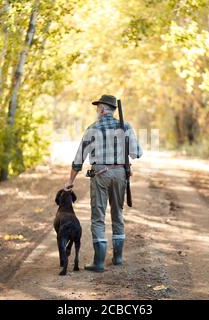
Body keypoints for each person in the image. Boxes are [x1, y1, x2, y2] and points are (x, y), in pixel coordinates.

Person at [64, 94, 143, 272]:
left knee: (98, 216)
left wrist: (71, 181)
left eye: (97, 108)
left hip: (99, 173)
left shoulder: (92, 128)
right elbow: (137, 153)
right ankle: (118, 257)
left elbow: (79, 159)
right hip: (120, 173)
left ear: (101, 109)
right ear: (112, 110)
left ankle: (99, 262)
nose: (96, 112)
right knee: (118, 213)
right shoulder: (126, 127)